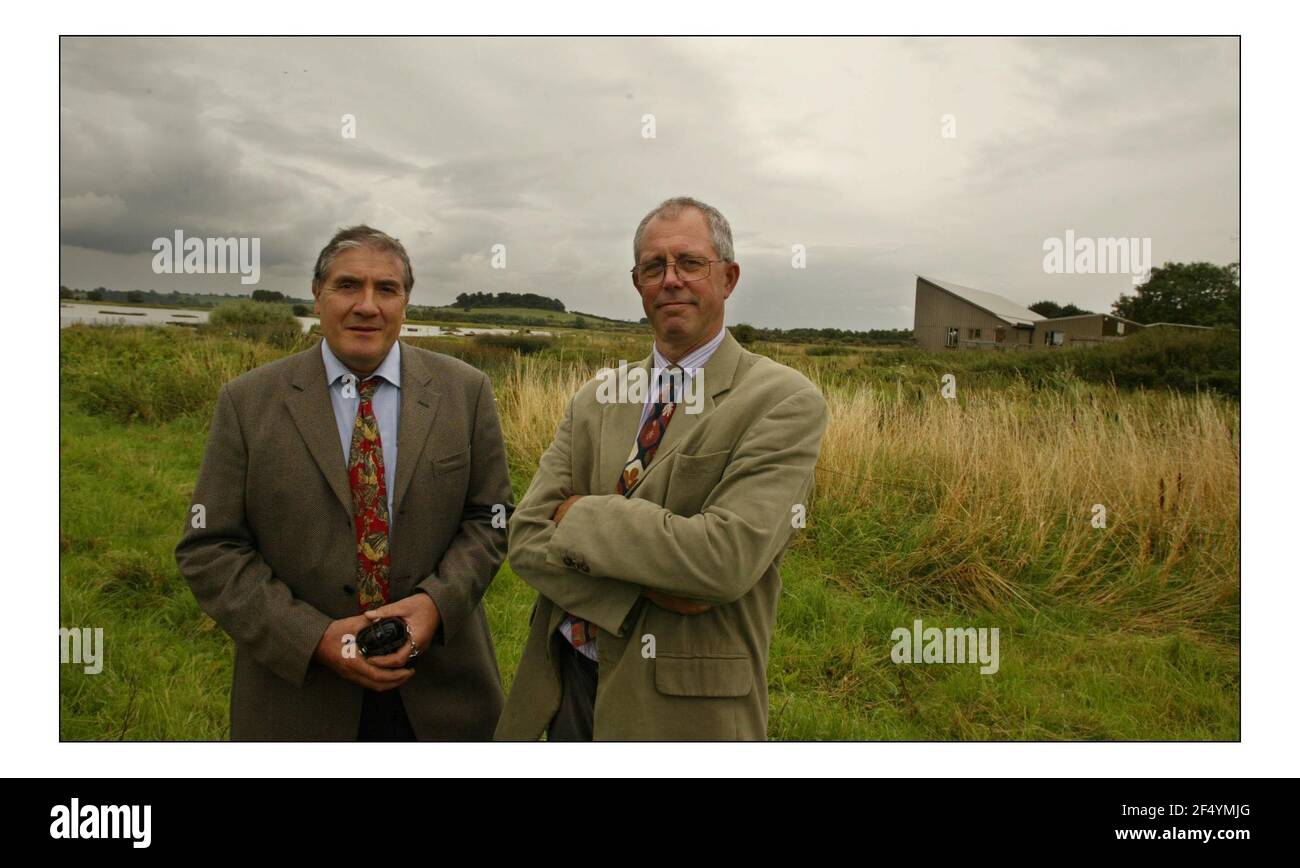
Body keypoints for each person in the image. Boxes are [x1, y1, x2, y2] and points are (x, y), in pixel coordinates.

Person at [496, 197, 828, 740]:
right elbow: (527, 537)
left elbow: (721, 562)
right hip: (560, 686)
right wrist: (656, 582)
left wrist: (577, 517)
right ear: (638, 284)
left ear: (729, 277)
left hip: (680, 711)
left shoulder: (781, 401)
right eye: (654, 267)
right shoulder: (595, 398)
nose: (670, 279)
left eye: (690, 263)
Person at [176, 225, 512, 740]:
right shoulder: (247, 403)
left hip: (442, 697)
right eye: (348, 285)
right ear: (317, 296)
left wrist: (434, 607)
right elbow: (211, 548)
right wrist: (313, 640)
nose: (367, 306)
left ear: (405, 302)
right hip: (300, 702)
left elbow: (489, 521)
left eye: (386, 289)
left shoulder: (464, 392)